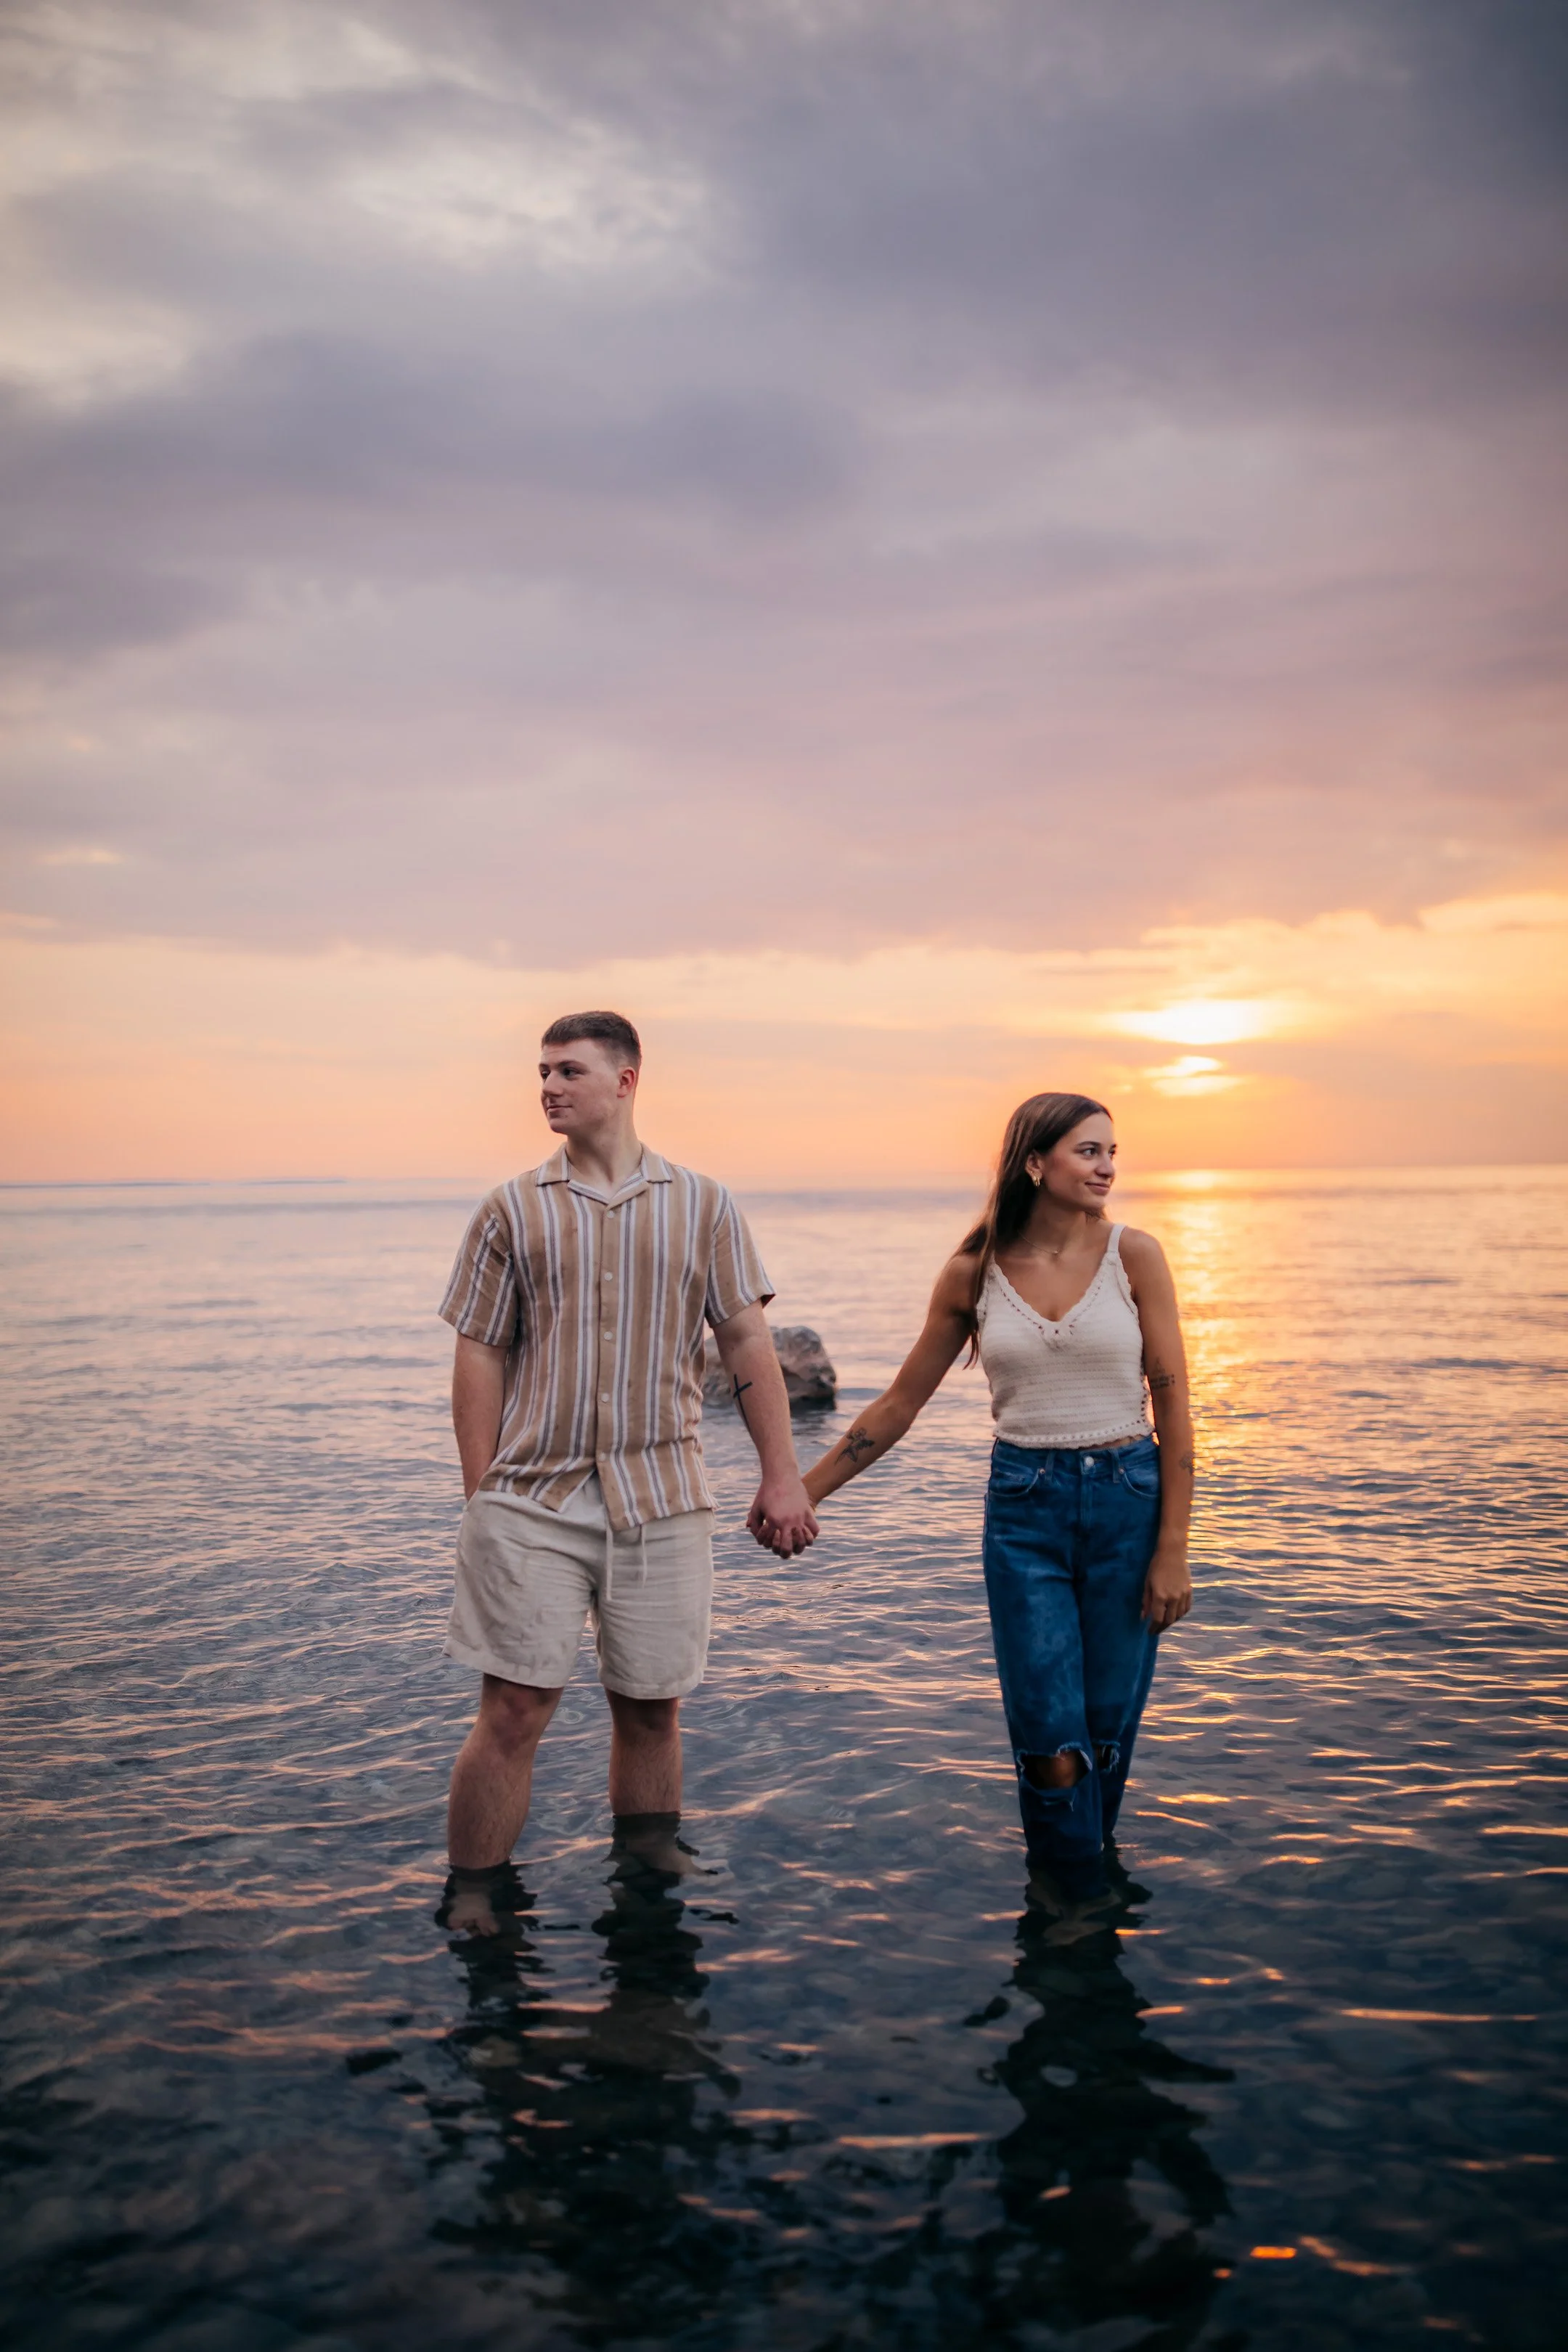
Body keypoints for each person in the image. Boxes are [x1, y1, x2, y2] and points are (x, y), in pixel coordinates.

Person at [439, 1010, 817, 1933]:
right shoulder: (511, 1208)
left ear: (626, 1080)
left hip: (664, 1496)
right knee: (516, 1709)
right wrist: (481, 1493)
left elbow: (747, 1344)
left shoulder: (705, 1204)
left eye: (569, 1070)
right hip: (534, 1496)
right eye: (541, 1073)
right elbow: (480, 1353)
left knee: (651, 1710)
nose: (549, 1087)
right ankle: (476, 1898)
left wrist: (783, 1475)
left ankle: (647, 1892)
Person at [782, 1092, 1193, 1900]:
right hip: (1024, 1510)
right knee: (1049, 1738)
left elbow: (1175, 1399)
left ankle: (1081, 1889)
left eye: (1113, 1152)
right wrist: (804, 1491)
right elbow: (901, 1403)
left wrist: (1173, 1549)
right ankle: (1072, 1898)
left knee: (1106, 1728)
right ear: (1035, 1164)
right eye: (1089, 1152)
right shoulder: (975, 1272)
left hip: (1127, 1500)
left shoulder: (1135, 1255)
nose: (1108, 1167)